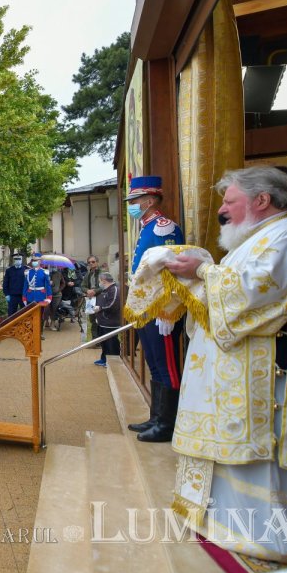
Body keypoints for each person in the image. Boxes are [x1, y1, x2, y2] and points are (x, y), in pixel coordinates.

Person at [163, 166, 287, 561]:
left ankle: (275, 536)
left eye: (229, 201)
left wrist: (201, 270)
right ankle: (233, 523)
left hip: (275, 383)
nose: (222, 210)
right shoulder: (267, 235)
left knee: (268, 462)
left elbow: (254, 297)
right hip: (252, 377)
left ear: (261, 200)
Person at [125, 174, 184, 443]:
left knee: (167, 366)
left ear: (149, 200)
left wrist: (169, 309)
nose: (132, 205)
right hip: (146, 307)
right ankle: (156, 417)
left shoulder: (164, 227)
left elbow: (173, 271)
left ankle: (167, 425)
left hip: (162, 310)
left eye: (135, 200)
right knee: (154, 363)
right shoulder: (147, 228)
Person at [91, 273, 120, 367]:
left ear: (104, 281)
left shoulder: (114, 289)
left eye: (100, 281)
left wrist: (100, 308)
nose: (99, 283)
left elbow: (112, 305)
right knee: (104, 343)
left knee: (111, 343)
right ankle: (104, 359)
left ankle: (113, 361)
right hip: (102, 322)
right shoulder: (106, 290)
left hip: (111, 322)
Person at [81, 256, 102, 345]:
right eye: (89, 262)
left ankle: (102, 340)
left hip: (100, 298)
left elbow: (104, 285)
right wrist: (87, 290)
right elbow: (82, 286)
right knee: (92, 319)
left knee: (100, 319)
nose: (91, 264)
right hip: (91, 299)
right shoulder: (88, 274)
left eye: (93, 262)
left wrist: (94, 291)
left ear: (97, 262)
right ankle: (95, 340)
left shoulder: (102, 273)